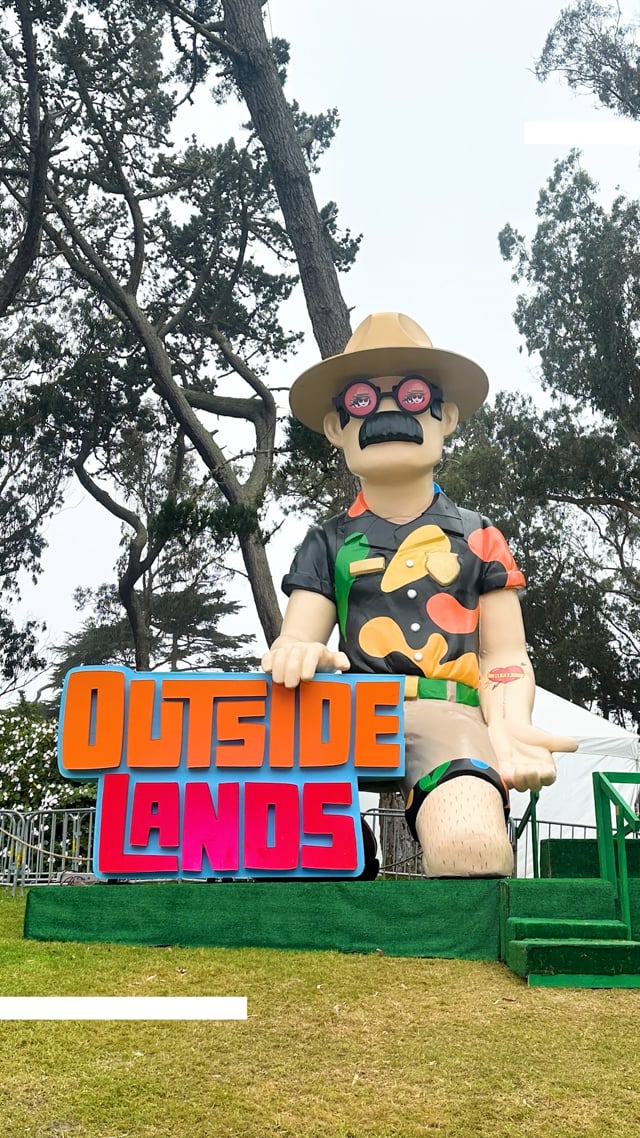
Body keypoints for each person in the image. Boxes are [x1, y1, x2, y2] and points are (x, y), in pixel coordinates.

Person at [262, 313, 576, 877]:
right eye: (362, 401)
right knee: (281, 849)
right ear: (336, 426)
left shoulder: (481, 538)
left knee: (471, 849)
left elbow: (505, 655)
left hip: (445, 712)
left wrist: (506, 721)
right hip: (342, 715)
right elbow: (297, 635)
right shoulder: (326, 542)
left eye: (412, 396)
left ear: (445, 416)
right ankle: (345, 843)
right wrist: (297, 652)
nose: (387, 414)